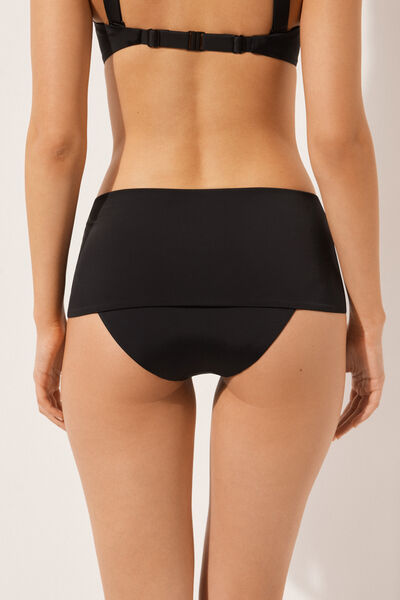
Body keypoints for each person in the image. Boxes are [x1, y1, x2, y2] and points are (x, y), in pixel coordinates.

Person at [25, 0, 385, 598]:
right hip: (280, 261)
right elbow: (337, 141)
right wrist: (369, 319)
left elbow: (56, 141)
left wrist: (47, 320)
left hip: (128, 266)